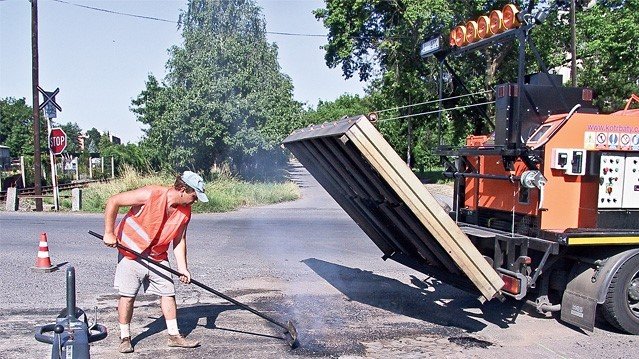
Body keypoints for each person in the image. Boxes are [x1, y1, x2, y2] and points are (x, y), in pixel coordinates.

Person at [102, 171, 209, 353]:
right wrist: (109, 233)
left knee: (168, 292)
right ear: (183, 190)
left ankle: (174, 336)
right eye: (194, 195)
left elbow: (179, 240)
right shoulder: (151, 194)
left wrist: (183, 268)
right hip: (131, 253)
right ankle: (125, 337)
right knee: (128, 296)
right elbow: (113, 201)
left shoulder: (185, 211)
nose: (196, 200)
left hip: (157, 256)